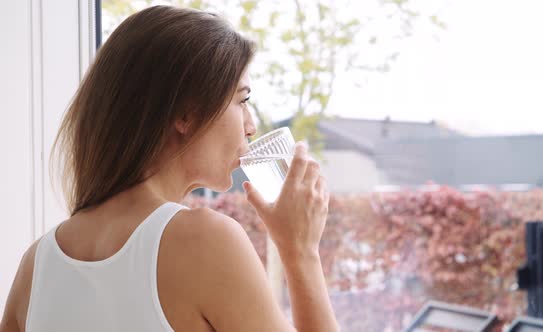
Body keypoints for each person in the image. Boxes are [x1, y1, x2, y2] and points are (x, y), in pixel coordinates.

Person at [0, 5, 339, 332]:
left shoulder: (36, 265)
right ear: (184, 114)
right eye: (242, 100)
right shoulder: (205, 240)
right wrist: (301, 251)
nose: (250, 126)